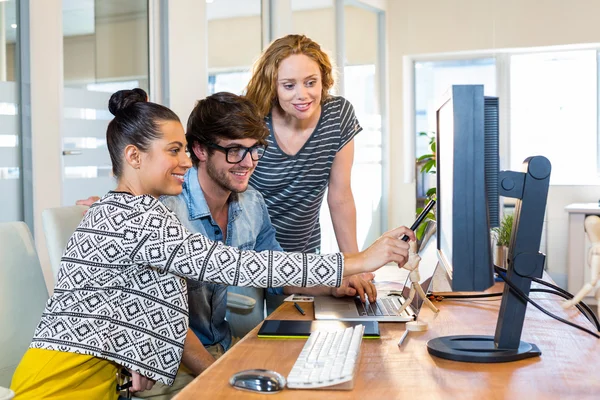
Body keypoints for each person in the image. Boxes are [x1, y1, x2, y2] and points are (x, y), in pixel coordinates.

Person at [10, 88, 415, 399]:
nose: (186, 162)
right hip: (60, 385)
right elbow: (234, 265)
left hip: (103, 383)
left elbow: (131, 302)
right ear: (133, 157)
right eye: (174, 151)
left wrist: (140, 354)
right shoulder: (138, 216)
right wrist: (360, 260)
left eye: (184, 149)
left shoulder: (137, 211)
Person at [137, 91, 377, 399]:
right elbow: (170, 326)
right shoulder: (167, 210)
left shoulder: (251, 202)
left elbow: (278, 271)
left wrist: (332, 285)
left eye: (255, 150)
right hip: (168, 368)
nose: (248, 163)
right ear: (199, 149)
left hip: (221, 347)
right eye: (235, 151)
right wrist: (221, 374)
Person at [245, 34, 361, 257]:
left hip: (304, 258)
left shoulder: (337, 115)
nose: (303, 95)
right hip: (251, 256)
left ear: (323, 79)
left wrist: (356, 266)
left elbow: (341, 197)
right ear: (272, 86)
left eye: (311, 82)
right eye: (289, 86)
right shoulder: (252, 119)